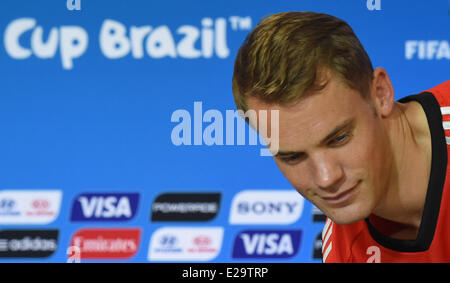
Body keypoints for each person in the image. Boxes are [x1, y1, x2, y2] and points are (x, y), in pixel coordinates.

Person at [231, 11, 450, 263]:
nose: (326, 178)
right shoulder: (342, 255)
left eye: (339, 139)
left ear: (380, 94)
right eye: (292, 156)